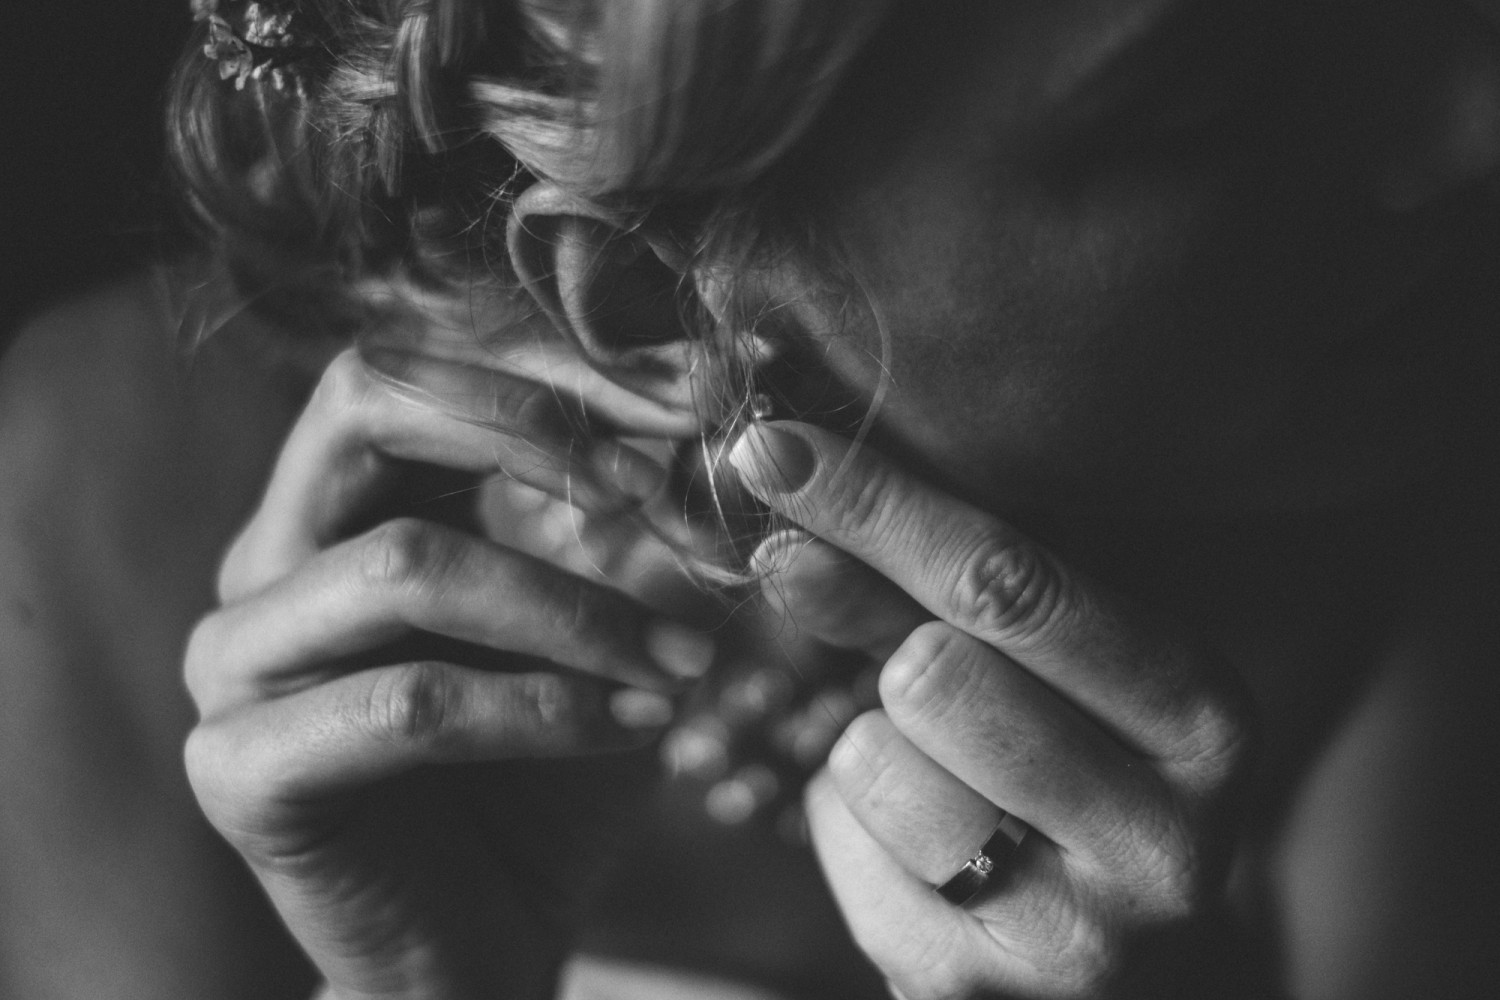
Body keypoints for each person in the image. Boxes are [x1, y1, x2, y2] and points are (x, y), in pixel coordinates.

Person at [20, 0, 1500, 997]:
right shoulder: (113, 490)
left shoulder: (1408, 463)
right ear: (662, 302)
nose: (1475, 123)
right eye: (1206, 98)